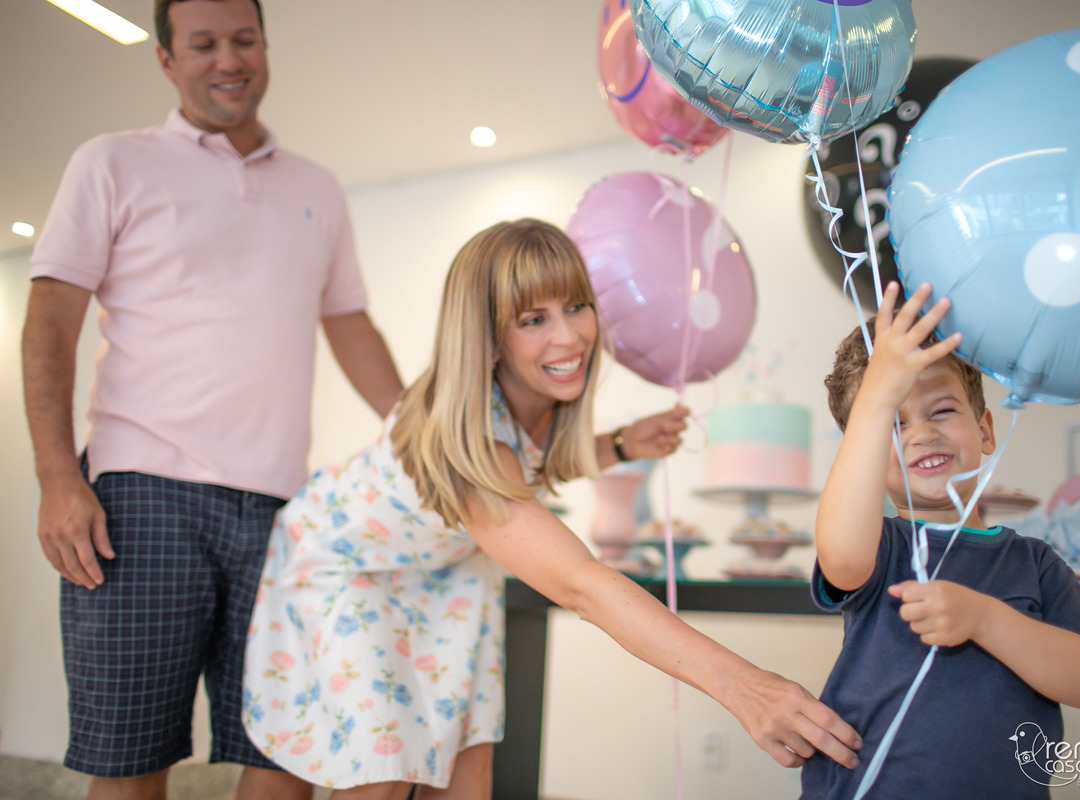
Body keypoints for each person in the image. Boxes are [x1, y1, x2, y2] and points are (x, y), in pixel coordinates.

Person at [242, 218, 865, 797]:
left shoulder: (527, 402)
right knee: (382, 766)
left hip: (445, 571)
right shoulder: (462, 444)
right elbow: (580, 583)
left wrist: (620, 444)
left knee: (466, 765)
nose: (569, 336)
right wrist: (747, 687)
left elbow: (531, 463)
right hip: (345, 567)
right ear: (487, 338)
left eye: (576, 306)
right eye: (533, 319)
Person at [21, 1, 403, 798]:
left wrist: (418, 430)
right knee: (131, 760)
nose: (229, 60)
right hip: (139, 497)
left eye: (244, 40)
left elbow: (348, 321)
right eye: (203, 45)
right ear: (166, 60)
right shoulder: (112, 162)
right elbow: (52, 320)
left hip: (280, 511)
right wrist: (57, 477)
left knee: (290, 752)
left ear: (265, 46)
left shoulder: (317, 188)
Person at [801, 281, 1080, 799]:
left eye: (942, 410)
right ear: (865, 452)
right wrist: (874, 399)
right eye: (892, 424)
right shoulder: (879, 547)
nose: (921, 434)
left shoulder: (1034, 562)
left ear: (985, 431)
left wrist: (985, 620)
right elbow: (840, 554)